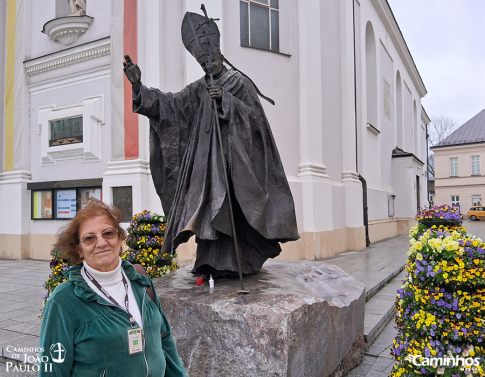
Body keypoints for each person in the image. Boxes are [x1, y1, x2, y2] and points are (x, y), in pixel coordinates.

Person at [123, 11, 299, 278]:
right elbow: (170, 106)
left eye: (211, 60)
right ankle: (210, 261)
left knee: (233, 211)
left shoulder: (238, 83)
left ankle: (242, 261)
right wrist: (139, 87)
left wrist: (226, 101)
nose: (208, 65)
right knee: (207, 211)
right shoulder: (198, 89)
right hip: (205, 167)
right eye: (202, 62)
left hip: (234, 167)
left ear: (220, 55)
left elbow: (256, 122)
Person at [38, 198, 186, 377]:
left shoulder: (140, 280)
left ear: (121, 237)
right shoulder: (63, 301)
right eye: (89, 238)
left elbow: (165, 340)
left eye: (108, 233)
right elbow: (52, 371)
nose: (100, 243)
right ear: (79, 249)